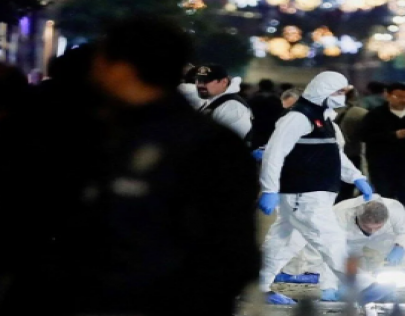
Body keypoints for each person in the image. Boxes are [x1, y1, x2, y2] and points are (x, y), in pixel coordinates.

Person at [0, 17, 260, 316]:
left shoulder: (193, 145)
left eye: (102, 60)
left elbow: (227, 256)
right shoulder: (106, 131)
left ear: (122, 68)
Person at [257, 71, 374, 305]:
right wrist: (269, 188)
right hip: (304, 194)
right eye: (339, 92)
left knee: (282, 243)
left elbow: (334, 155)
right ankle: (362, 286)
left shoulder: (323, 118)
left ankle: (256, 285)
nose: (342, 97)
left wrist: (356, 177)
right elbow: (274, 152)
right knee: (330, 237)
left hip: (310, 193)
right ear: (324, 91)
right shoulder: (299, 118)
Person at [279, 196, 405, 301]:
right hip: (346, 239)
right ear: (358, 217)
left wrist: (400, 246)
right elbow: (324, 253)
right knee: (336, 264)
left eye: (377, 227)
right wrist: (328, 286)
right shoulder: (337, 216)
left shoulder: (395, 210)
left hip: (383, 238)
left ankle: (397, 281)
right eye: (368, 227)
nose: (372, 231)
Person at [362, 82, 405, 219]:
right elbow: (364, 135)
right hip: (382, 167)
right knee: (384, 202)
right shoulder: (375, 115)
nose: (404, 100)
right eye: (399, 96)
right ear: (388, 95)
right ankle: (384, 234)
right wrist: (394, 135)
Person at [196, 64, 252, 142]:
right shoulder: (212, 102)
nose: (200, 85)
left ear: (224, 82)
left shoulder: (232, 107)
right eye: (198, 80)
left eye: (206, 81)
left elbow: (229, 143)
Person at [335, 89, 369, 202]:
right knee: (346, 191)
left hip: (324, 157)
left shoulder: (322, 111)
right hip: (351, 154)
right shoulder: (359, 112)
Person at [249, 79, 284, 148]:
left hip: (257, 125)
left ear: (260, 86)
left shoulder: (253, 98)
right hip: (272, 125)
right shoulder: (277, 99)